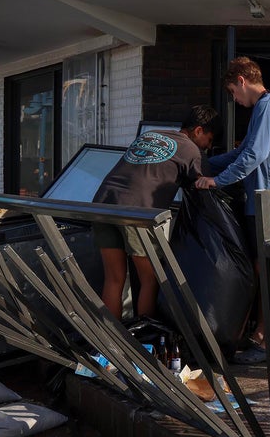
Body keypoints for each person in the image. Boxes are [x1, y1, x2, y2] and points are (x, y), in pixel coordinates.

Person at [194, 56, 270, 364]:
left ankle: (264, 341)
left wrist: (215, 180)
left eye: (232, 93)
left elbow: (254, 154)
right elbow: (242, 152)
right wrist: (204, 163)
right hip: (264, 203)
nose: (234, 100)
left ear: (241, 81)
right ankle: (256, 335)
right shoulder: (266, 110)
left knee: (265, 273)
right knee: (258, 270)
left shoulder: (268, 107)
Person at [93, 105, 221, 320]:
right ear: (198, 131)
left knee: (114, 279)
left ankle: (110, 346)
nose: (207, 148)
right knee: (150, 279)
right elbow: (206, 185)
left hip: (102, 203)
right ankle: (146, 342)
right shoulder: (192, 151)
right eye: (208, 141)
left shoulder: (151, 135)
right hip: (135, 210)